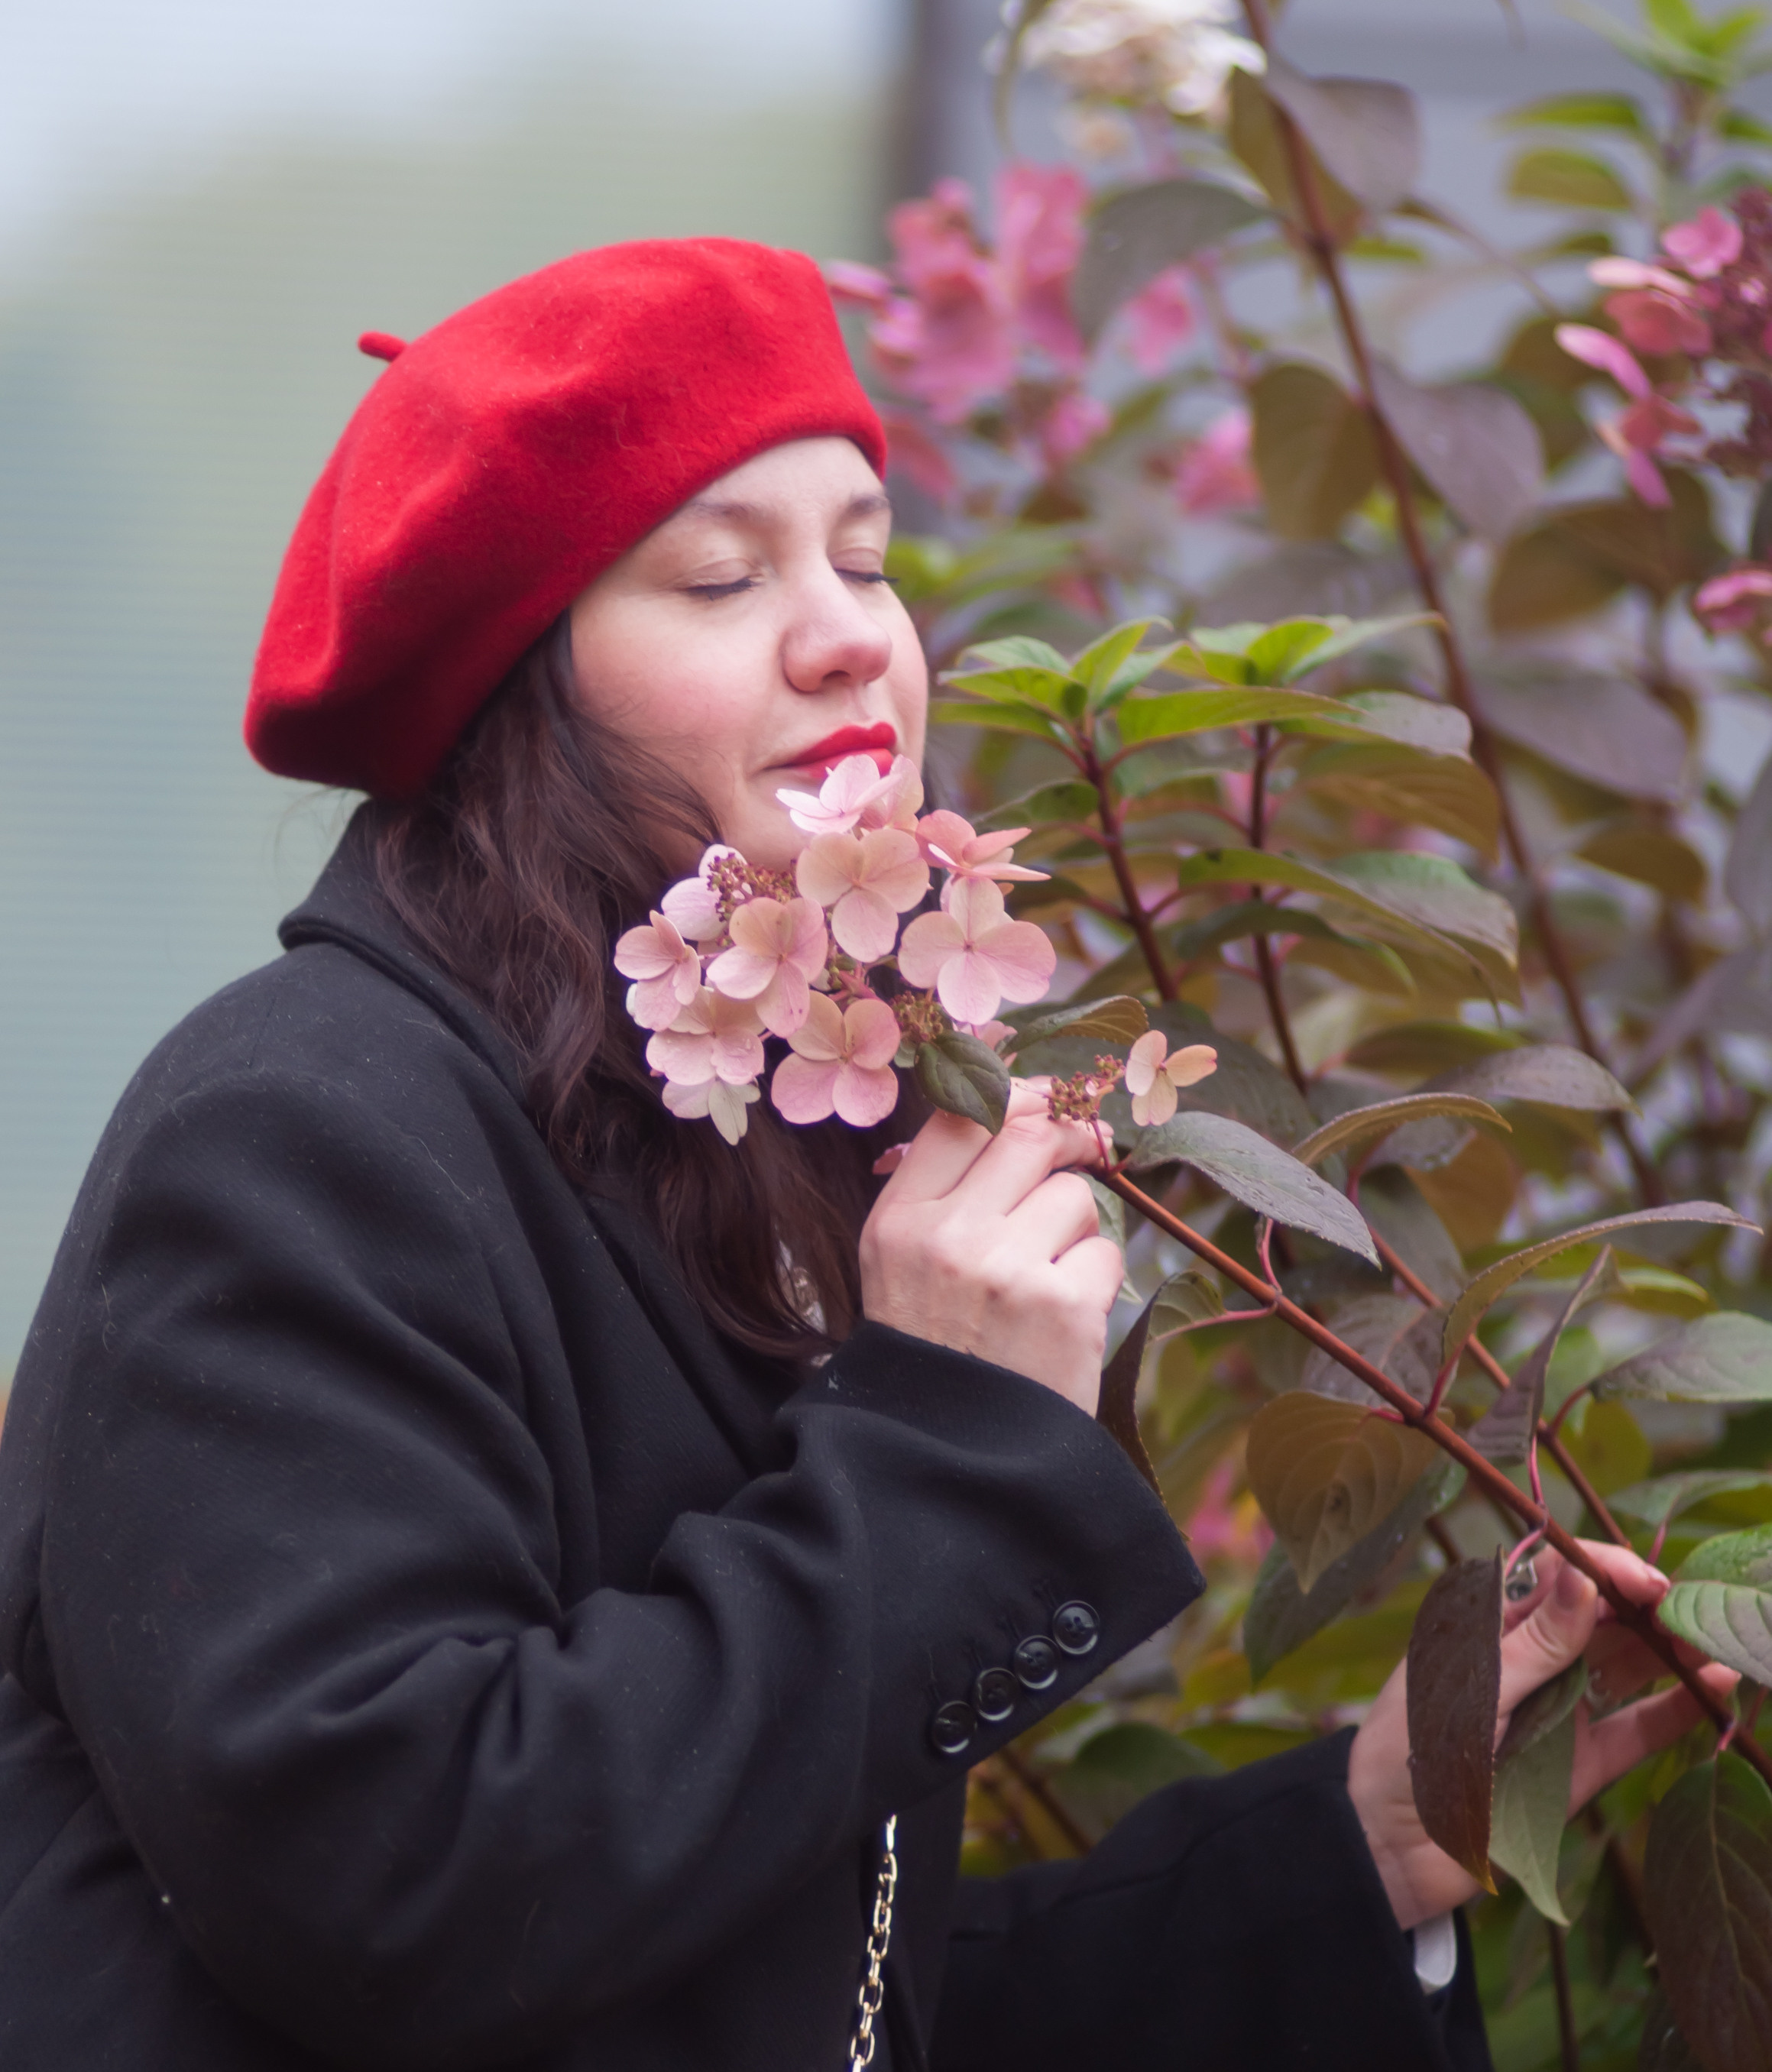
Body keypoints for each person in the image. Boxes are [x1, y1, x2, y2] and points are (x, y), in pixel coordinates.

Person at [0, 240, 1719, 2072]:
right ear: (520, 694)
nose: (848, 630)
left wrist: (1353, 1846)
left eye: (867, 556)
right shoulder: (298, 1133)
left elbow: (792, 2003)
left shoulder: (732, 1146)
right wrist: (938, 1451)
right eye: (723, 573)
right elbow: (392, 1885)